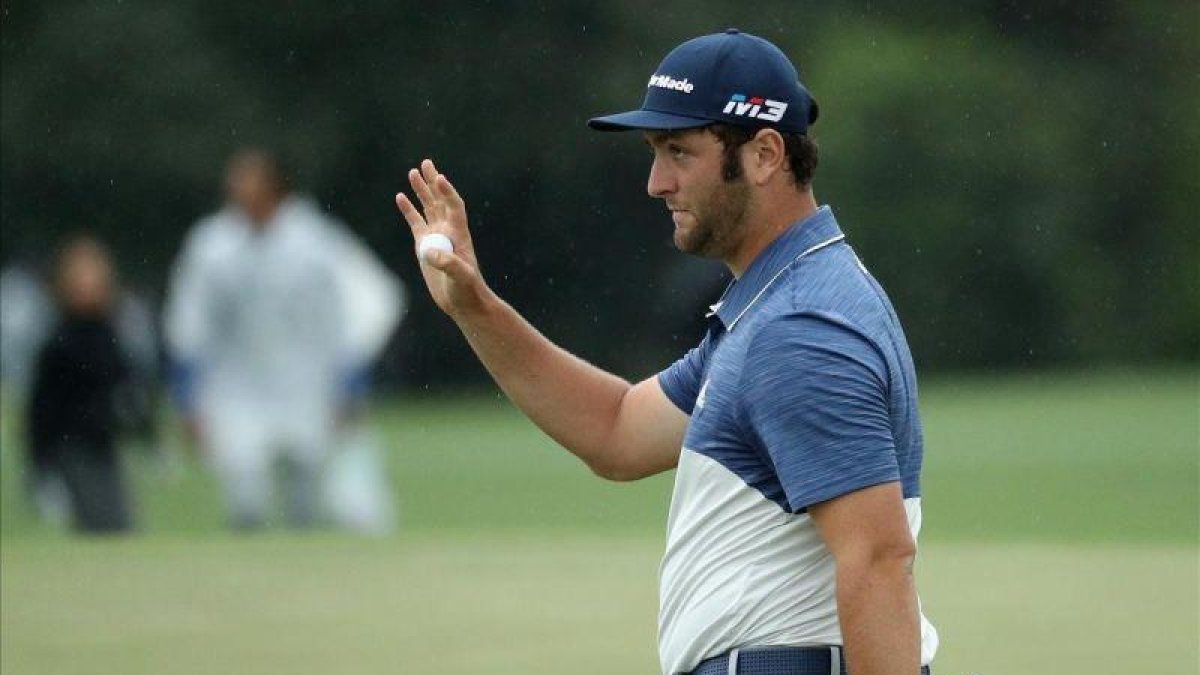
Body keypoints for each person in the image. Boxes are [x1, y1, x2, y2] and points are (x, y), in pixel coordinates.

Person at [395, 29, 937, 675]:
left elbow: (878, 558)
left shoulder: (800, 328)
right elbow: (617, 430)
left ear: (765, 154)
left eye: (680, 151)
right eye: (656, 152)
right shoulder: (773, 307)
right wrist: (474, 306)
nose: (656, 182)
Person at [165, 149, 403, 531]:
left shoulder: (317, 241)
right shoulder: (211, 246)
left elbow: (363, 305)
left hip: (306, 386)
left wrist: (350, 382)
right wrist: (188, 397)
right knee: (245, 494)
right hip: (236, 389)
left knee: (303, 498)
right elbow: (189, 322)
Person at [25, 236, 135, 533]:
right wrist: (41, 468)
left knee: (121, 522)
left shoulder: (108, 334)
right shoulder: (59, 342)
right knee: (101, 524)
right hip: (72, 447)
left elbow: (123, 389)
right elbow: (41, 411)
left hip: (103, 443)